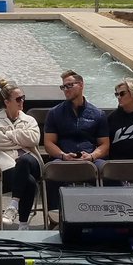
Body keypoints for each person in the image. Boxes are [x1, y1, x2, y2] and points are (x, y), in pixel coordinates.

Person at [43, 69, 110, 211]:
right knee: (52, 170)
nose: (65, 89)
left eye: (69, 85)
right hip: (64, 158)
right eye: (63, 87)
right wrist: (62, 155)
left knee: (107, 170)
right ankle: (55, 215)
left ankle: (107, 214)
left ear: (81, 85)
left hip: (90, 158)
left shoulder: (98, 114)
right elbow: (49, 143)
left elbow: (104, 145)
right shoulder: (55, 113)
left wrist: (92, 156)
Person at [0, 78, 42, 230]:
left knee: (24, 161)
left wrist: (10, 134)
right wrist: (22, 139)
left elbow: (34, 139)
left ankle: (13, 204)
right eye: (18, 99)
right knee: (29, 181)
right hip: (6, 166)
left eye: (23, 98)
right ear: (7, 102)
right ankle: (23, 225)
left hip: (31, 162)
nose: (22, 101)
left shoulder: (29, 119)